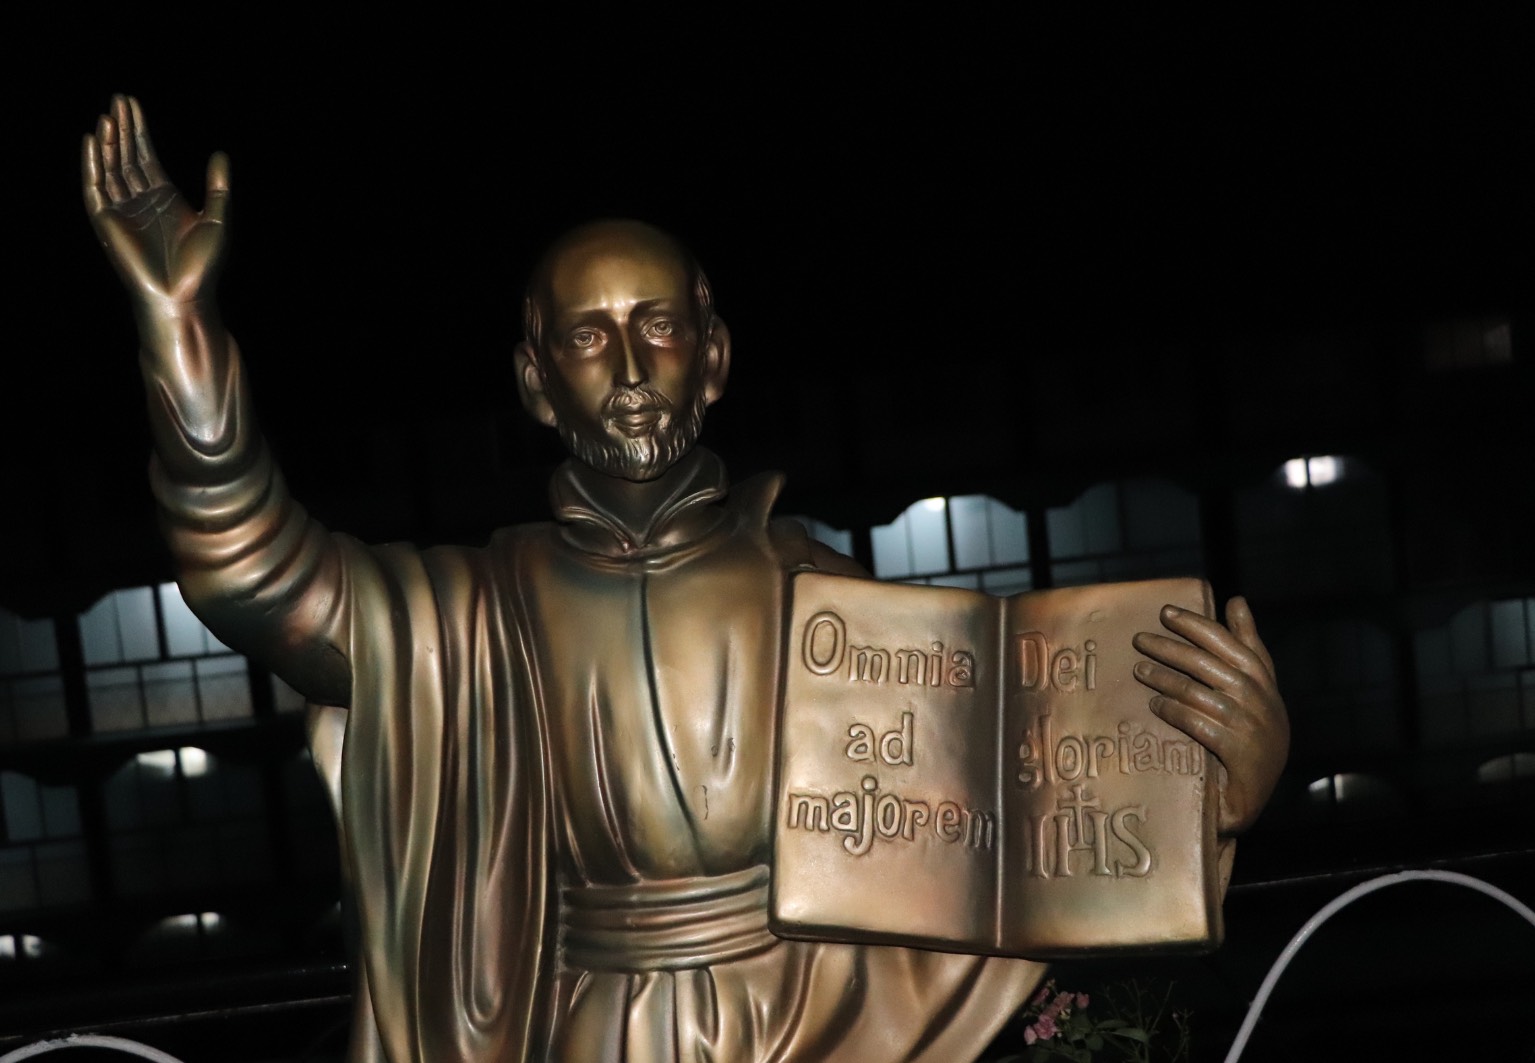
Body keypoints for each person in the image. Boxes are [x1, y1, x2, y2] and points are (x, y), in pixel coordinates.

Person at [83, 96, 1288, 1063]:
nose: (626, 366)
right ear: (534, 380)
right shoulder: (470, 613)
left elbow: (1019, 828)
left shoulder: (832, 604)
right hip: (584, 1025)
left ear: (712, 354)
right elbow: (254, 572)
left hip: (815, 1019)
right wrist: (178, 331)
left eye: (655, 325)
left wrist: (1212, 793)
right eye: (585, 335)